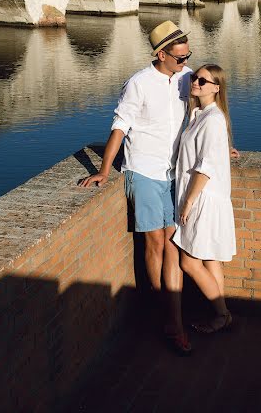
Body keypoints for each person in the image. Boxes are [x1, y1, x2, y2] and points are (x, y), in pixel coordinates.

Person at [80, 20, 194, 355]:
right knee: (155, 243)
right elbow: (120, 126)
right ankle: (164, 313)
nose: (186, 62)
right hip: (142, 170)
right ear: (161, 55)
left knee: (173, 243)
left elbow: (206, 110)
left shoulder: (187, 79)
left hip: (174, 172)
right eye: (180, 58)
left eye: (188, 56)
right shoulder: (139, 84)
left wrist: (221, 145)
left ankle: (173, 316)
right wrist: (103, 170)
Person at [172, 64, 236, 334]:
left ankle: (222, 313)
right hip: (205, 197)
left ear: (216, 88)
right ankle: (220, 315)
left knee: (188, 262)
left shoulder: (212, 119)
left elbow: (206, 167)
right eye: (194, 78)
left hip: (202, 199)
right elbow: (209, 153)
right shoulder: (199, 114)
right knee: (210, 259)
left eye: (202, 80)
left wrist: (187, 202)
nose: (195, 82)